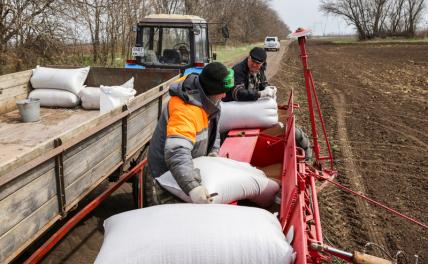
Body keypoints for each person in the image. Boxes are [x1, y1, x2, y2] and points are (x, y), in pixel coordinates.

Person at [145, 62, 234, 206]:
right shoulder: (185, 111)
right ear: (211, 90)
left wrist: (213, 154)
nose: (224, 95)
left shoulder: (210, 100)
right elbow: (176, 152)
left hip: (188, 166)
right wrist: (193, 187)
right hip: (167, 173)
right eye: (222, 91)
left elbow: (214, 129)